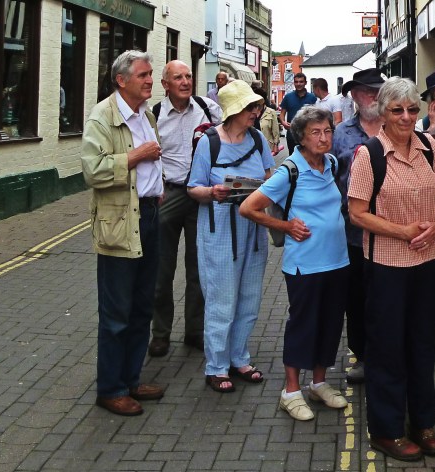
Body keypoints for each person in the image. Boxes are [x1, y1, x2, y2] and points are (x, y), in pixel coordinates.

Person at [348, 77, 435, 461]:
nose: (406, 117)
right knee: (388, 347)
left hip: (427, 262)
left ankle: (423, 422)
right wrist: (402, 231)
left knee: (423, 343)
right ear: (383, 112)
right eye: (397, 110)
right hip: (388, 265)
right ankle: (387, 429)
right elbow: (356, 214)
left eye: (412, 109)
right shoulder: (369, 155)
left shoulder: (429, 148)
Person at [240, 106, 350, 421]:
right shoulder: (290, 169)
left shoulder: (330, 163)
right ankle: (291, 391)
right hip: (305, 265)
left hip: (337, 260)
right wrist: (288, 227)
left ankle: (318, 383)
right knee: (303, 325)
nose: (324, 137)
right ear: (300, 137)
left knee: (330, 325)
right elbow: (249, 208)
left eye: (328, 131)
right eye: (316, 132)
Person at [81, 50, 166, 416]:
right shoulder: (103, 116)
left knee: (142, 306)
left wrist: (155, 187)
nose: (150, 80)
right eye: (144, 75)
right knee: (116, 312)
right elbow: (92, 171)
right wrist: (136, 157)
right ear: (122, 80)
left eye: (150, 74)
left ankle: (131, 380)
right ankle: (110, 389)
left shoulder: (146, 114)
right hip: (119, 224)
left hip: (149, 216)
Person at [187, 80, 275, 393]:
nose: (256, 111)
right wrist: (213, 192)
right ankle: (216, 367)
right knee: (222, 301)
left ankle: (239, 358)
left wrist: (262, 192)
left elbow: (269, 178)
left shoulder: (258, 139)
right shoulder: (208, 142)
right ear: (233, 110)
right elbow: (193, 187)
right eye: (250, 107)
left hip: (252, 229)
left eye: (256, 106)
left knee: (249, 298)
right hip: (219, 228)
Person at [148, 60, 223, 357]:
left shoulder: (208, 110)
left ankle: (195, 331)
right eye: (177, 77)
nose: (185, 81)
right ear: (165, 84)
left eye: (188, 76)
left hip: (201, 194)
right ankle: (160, 334)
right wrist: (156, 188)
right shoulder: (154, 115)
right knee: (161, 270)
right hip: (169, 194)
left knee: (199, 269)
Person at [331, 67, 386, 384]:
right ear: (354, 95)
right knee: (356, 298)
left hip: (391, 232)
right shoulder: (340, 134)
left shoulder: (394, 127)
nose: (373, 96)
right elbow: (330, 178)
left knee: (386, 295)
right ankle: (363, 356)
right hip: (352, 233)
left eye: (378, 90)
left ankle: (387, 354)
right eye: (367, 90)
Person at [280, 72, 317, 155]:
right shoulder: (288, 97)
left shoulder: (312, 98)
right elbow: (282, 113)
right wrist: (283, 123)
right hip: (292, 133)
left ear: (305, 83)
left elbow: (316, 115)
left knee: (308, 156)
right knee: (293, 156)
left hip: (308, 133)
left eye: (301, 82)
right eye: (296, 82)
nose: (298, 84)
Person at [251, 81, 282, 154]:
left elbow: (275, 131)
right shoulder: (250, 111)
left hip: (266, 146)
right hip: (251, 145)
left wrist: (276, 145)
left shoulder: (271, 112)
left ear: (263, 100)